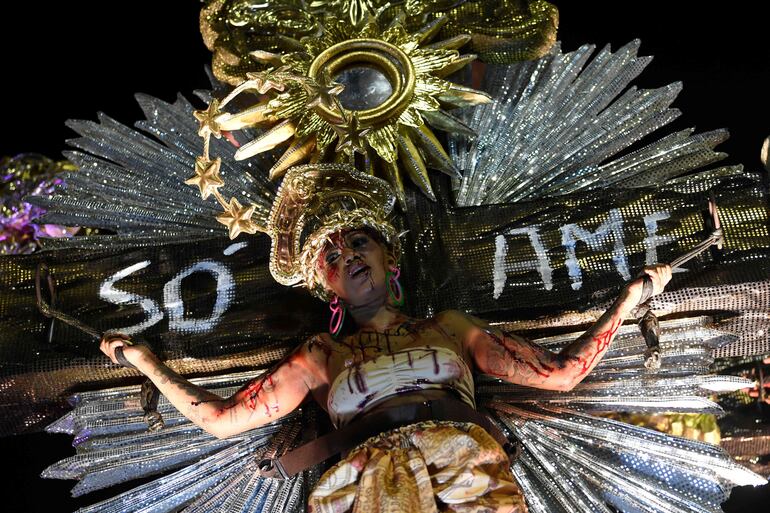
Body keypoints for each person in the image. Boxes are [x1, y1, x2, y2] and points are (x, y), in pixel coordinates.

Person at [98, 164, 672, 513]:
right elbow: (222, 419)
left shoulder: (448, 327)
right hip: (370, 484)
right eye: (331, 255)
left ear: (388, 255)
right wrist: (145, 361)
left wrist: (629, 299)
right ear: (323, 285)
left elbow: (562, 374)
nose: (347, 257)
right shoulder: (322, 355)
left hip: (470, 471)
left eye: (358, 245)